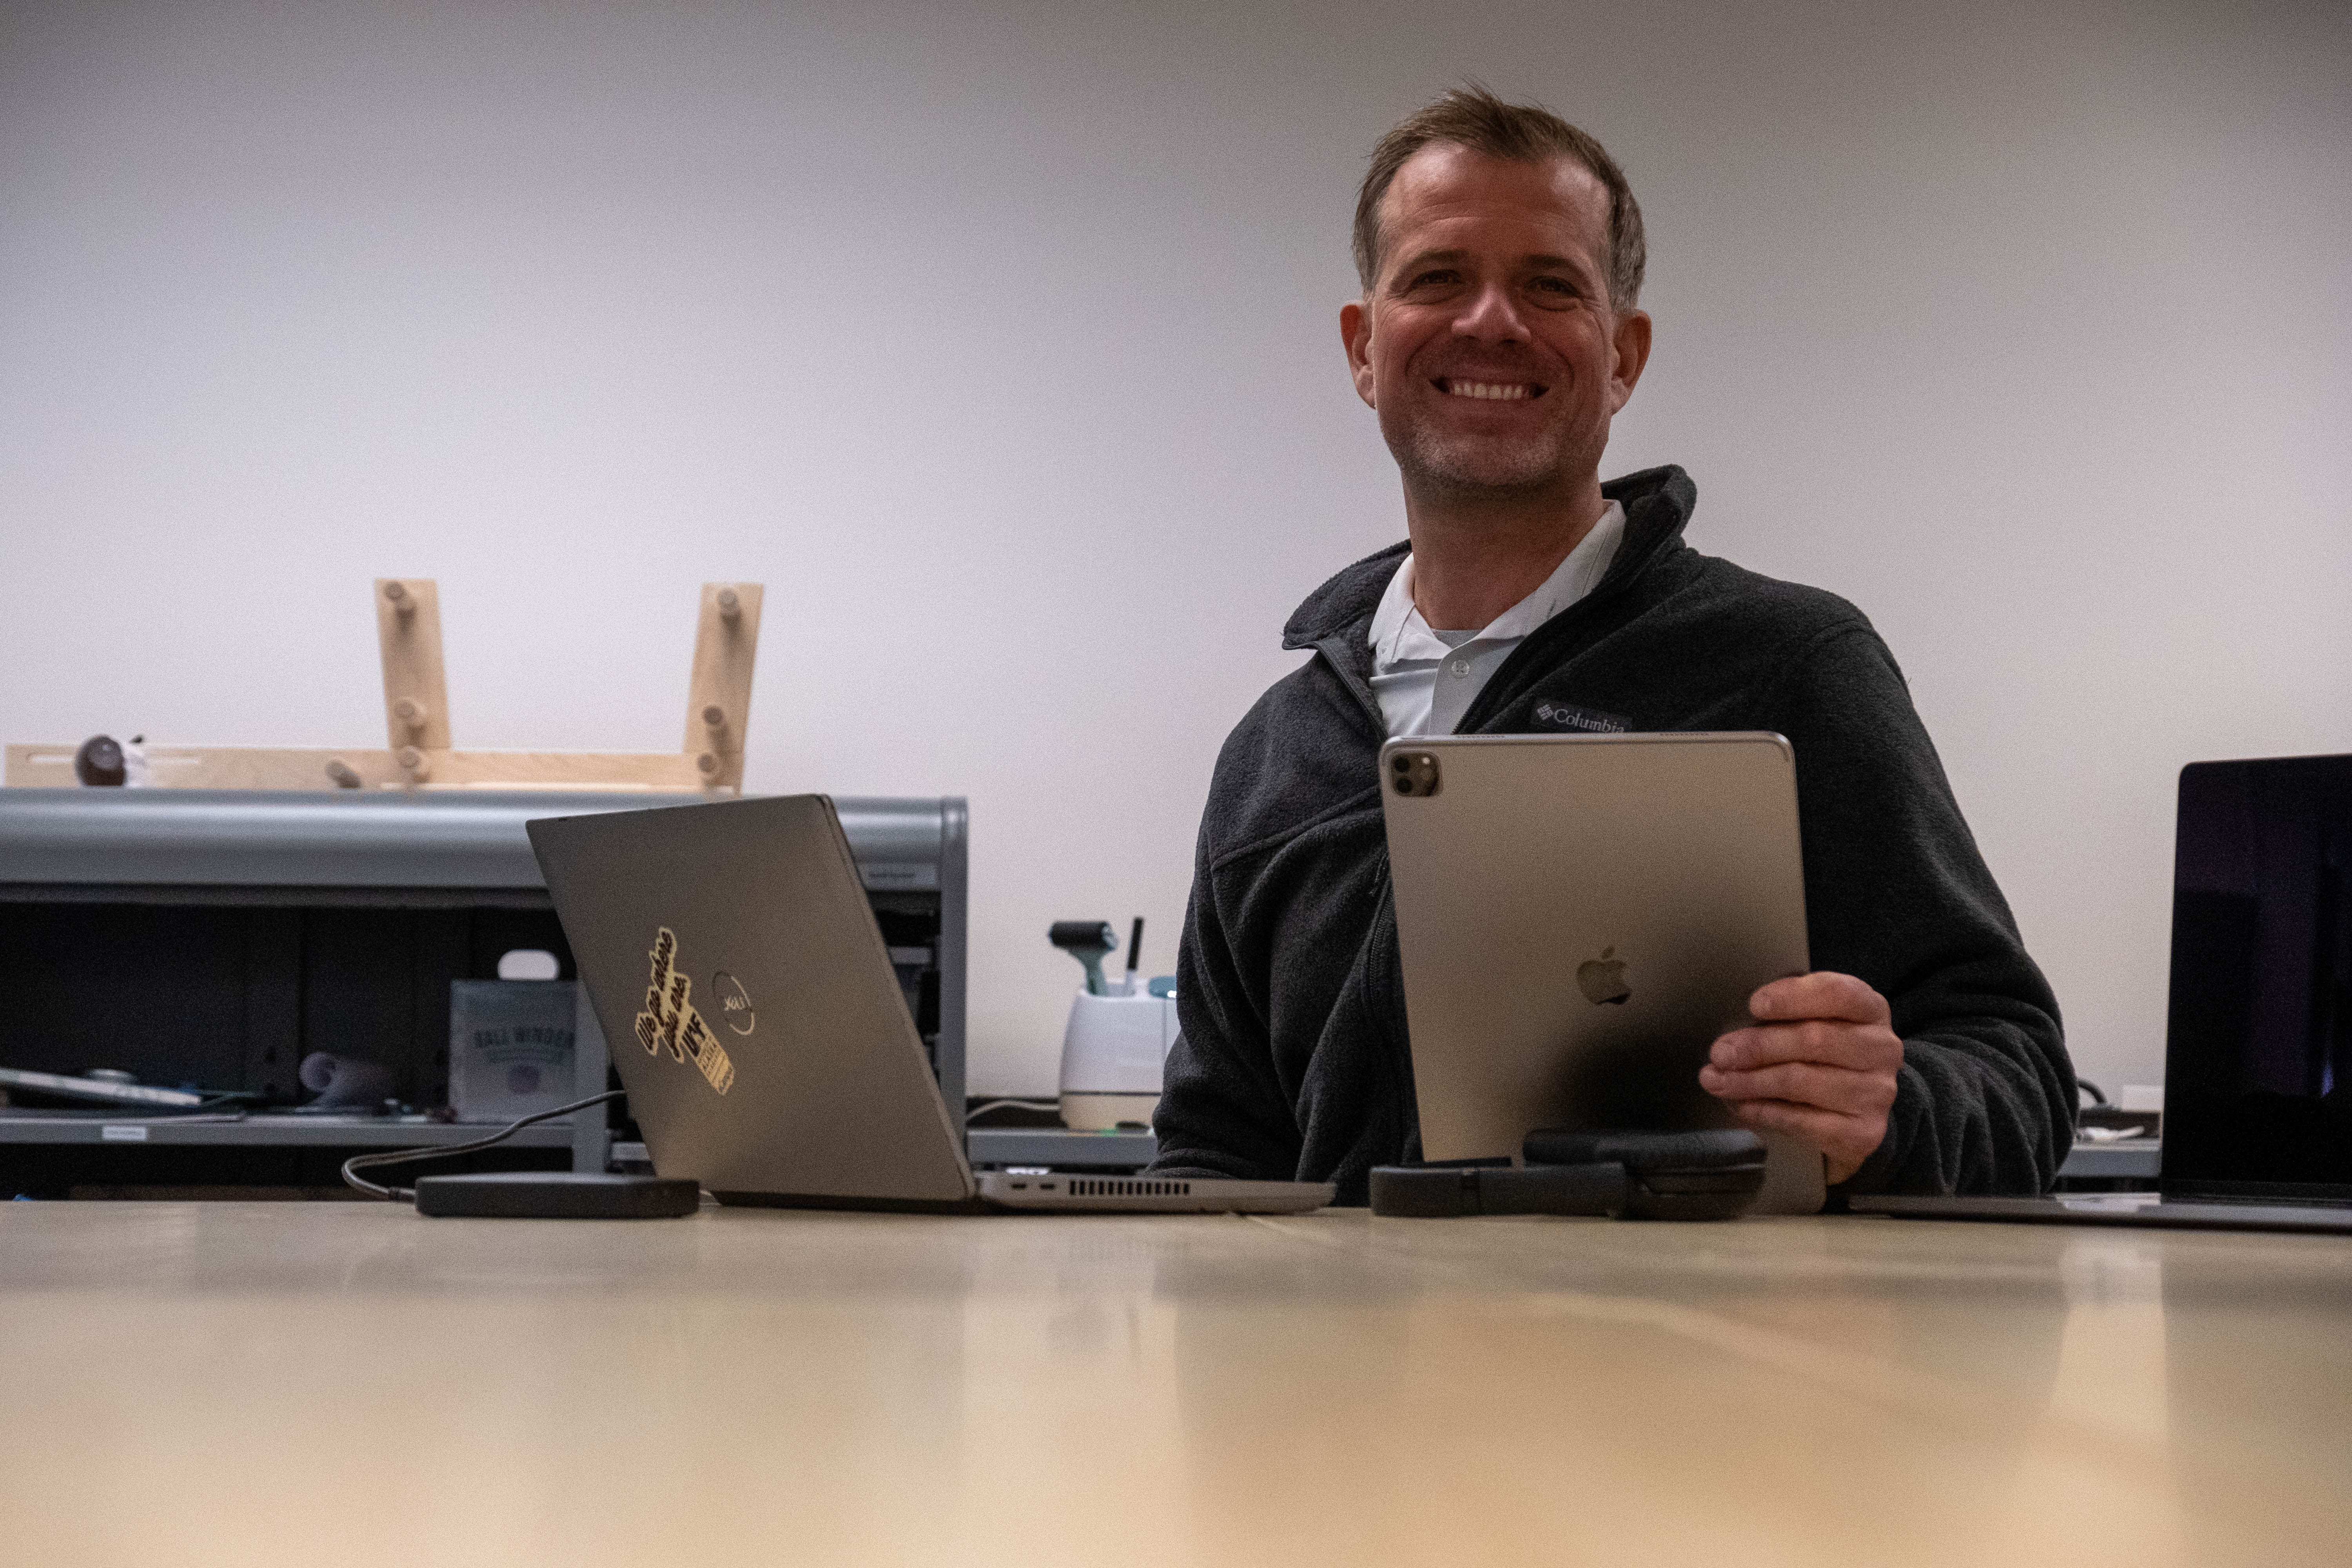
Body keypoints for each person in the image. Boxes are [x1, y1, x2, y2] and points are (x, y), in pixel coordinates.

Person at [1148, 87, 2073, 1205]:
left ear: (1623, 354)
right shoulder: (1272, 755)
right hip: (1348, 1368)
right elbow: (1215, 1150)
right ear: (1363, 345)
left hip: (1692, 1371)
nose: (1492, 321)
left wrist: (1894, 1109)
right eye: (1439, 278)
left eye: (1551, 285)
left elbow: (2017, 1073)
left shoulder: (1793, 665)